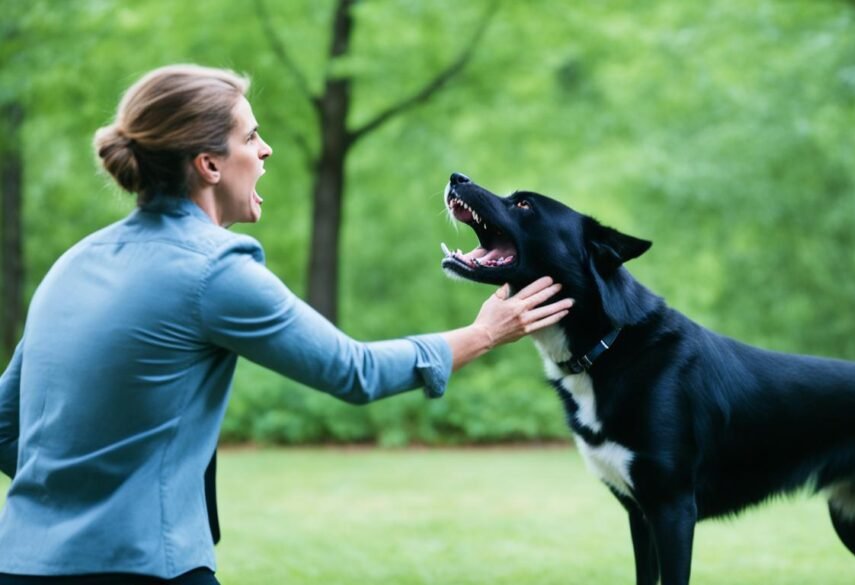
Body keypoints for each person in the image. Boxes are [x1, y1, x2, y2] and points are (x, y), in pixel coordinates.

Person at [0, 64, 573, 584]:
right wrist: (485, 333)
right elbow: (355, 372)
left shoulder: (75, 262)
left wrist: (80, 497)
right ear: (209, 165)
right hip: (141, 569)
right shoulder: (215, 268)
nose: (266, 149)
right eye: (250, 136)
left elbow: (6, 423)